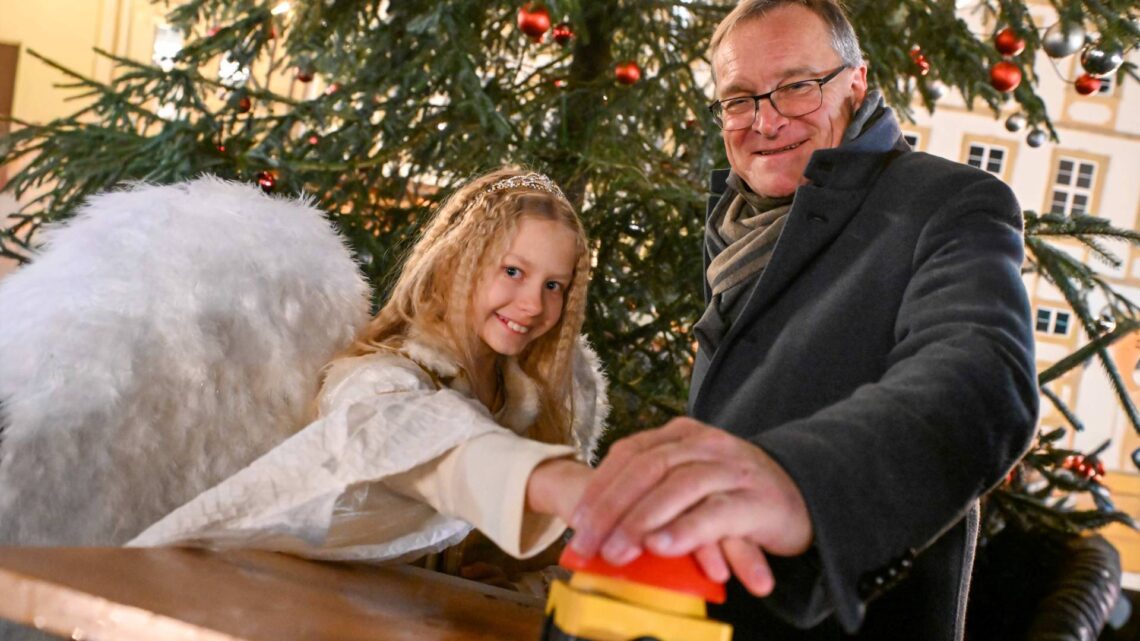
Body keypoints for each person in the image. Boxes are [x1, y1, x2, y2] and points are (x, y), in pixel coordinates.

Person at [566, 1, 1038, 639]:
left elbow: (981, 378)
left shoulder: (946, 203)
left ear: (857, 80)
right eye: (739, 99)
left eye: (796, 87)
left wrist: (799, 481)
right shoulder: (737, 228)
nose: (765, 120)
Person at [130, 168, 608, 575]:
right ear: (456, 264)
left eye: (553, 285)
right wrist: (550, 481)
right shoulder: (382, 377)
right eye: (513, 272)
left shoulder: (531, 402)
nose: (532, 304)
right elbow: (404, 434)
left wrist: (510, 572)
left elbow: (541, 559)